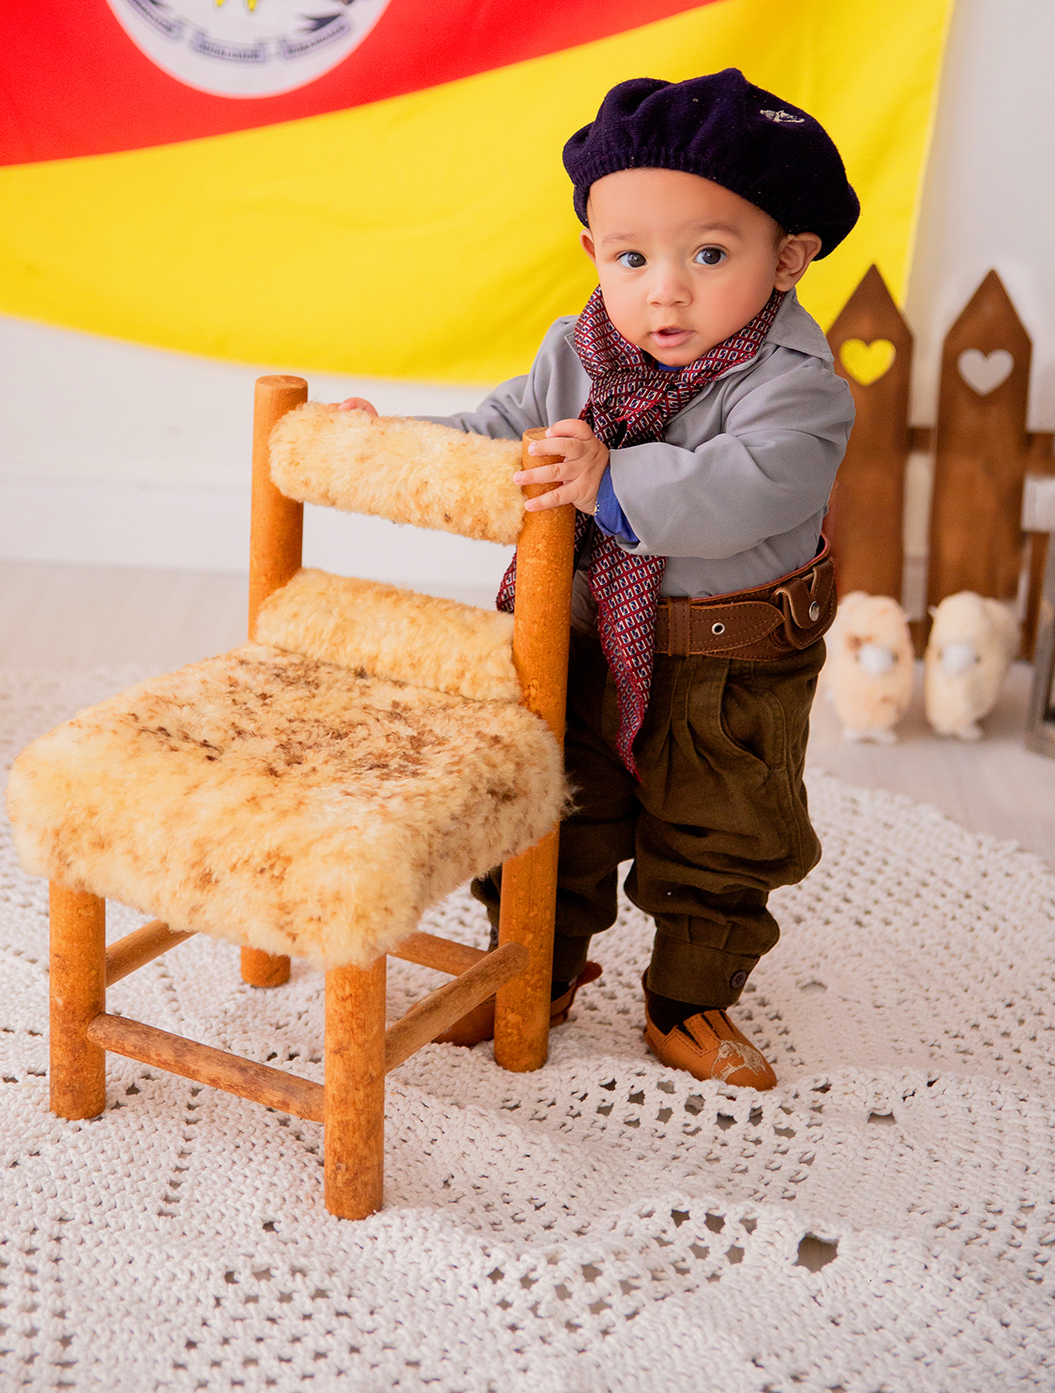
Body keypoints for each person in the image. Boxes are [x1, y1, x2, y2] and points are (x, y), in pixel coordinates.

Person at [341, 68, 858, 1089]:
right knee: (548, 805)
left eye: (709, 254)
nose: (663, 288)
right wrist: (396, 440)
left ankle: (688, 1000)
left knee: (720, 829)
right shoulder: (575, 352)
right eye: (632, 256)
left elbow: (747, 490)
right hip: (577, 632)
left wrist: (612, 478)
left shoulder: (799, 388)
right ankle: (541, 961)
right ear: (593, 254)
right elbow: (503, 435)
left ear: (789, 256)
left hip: (726, 662)